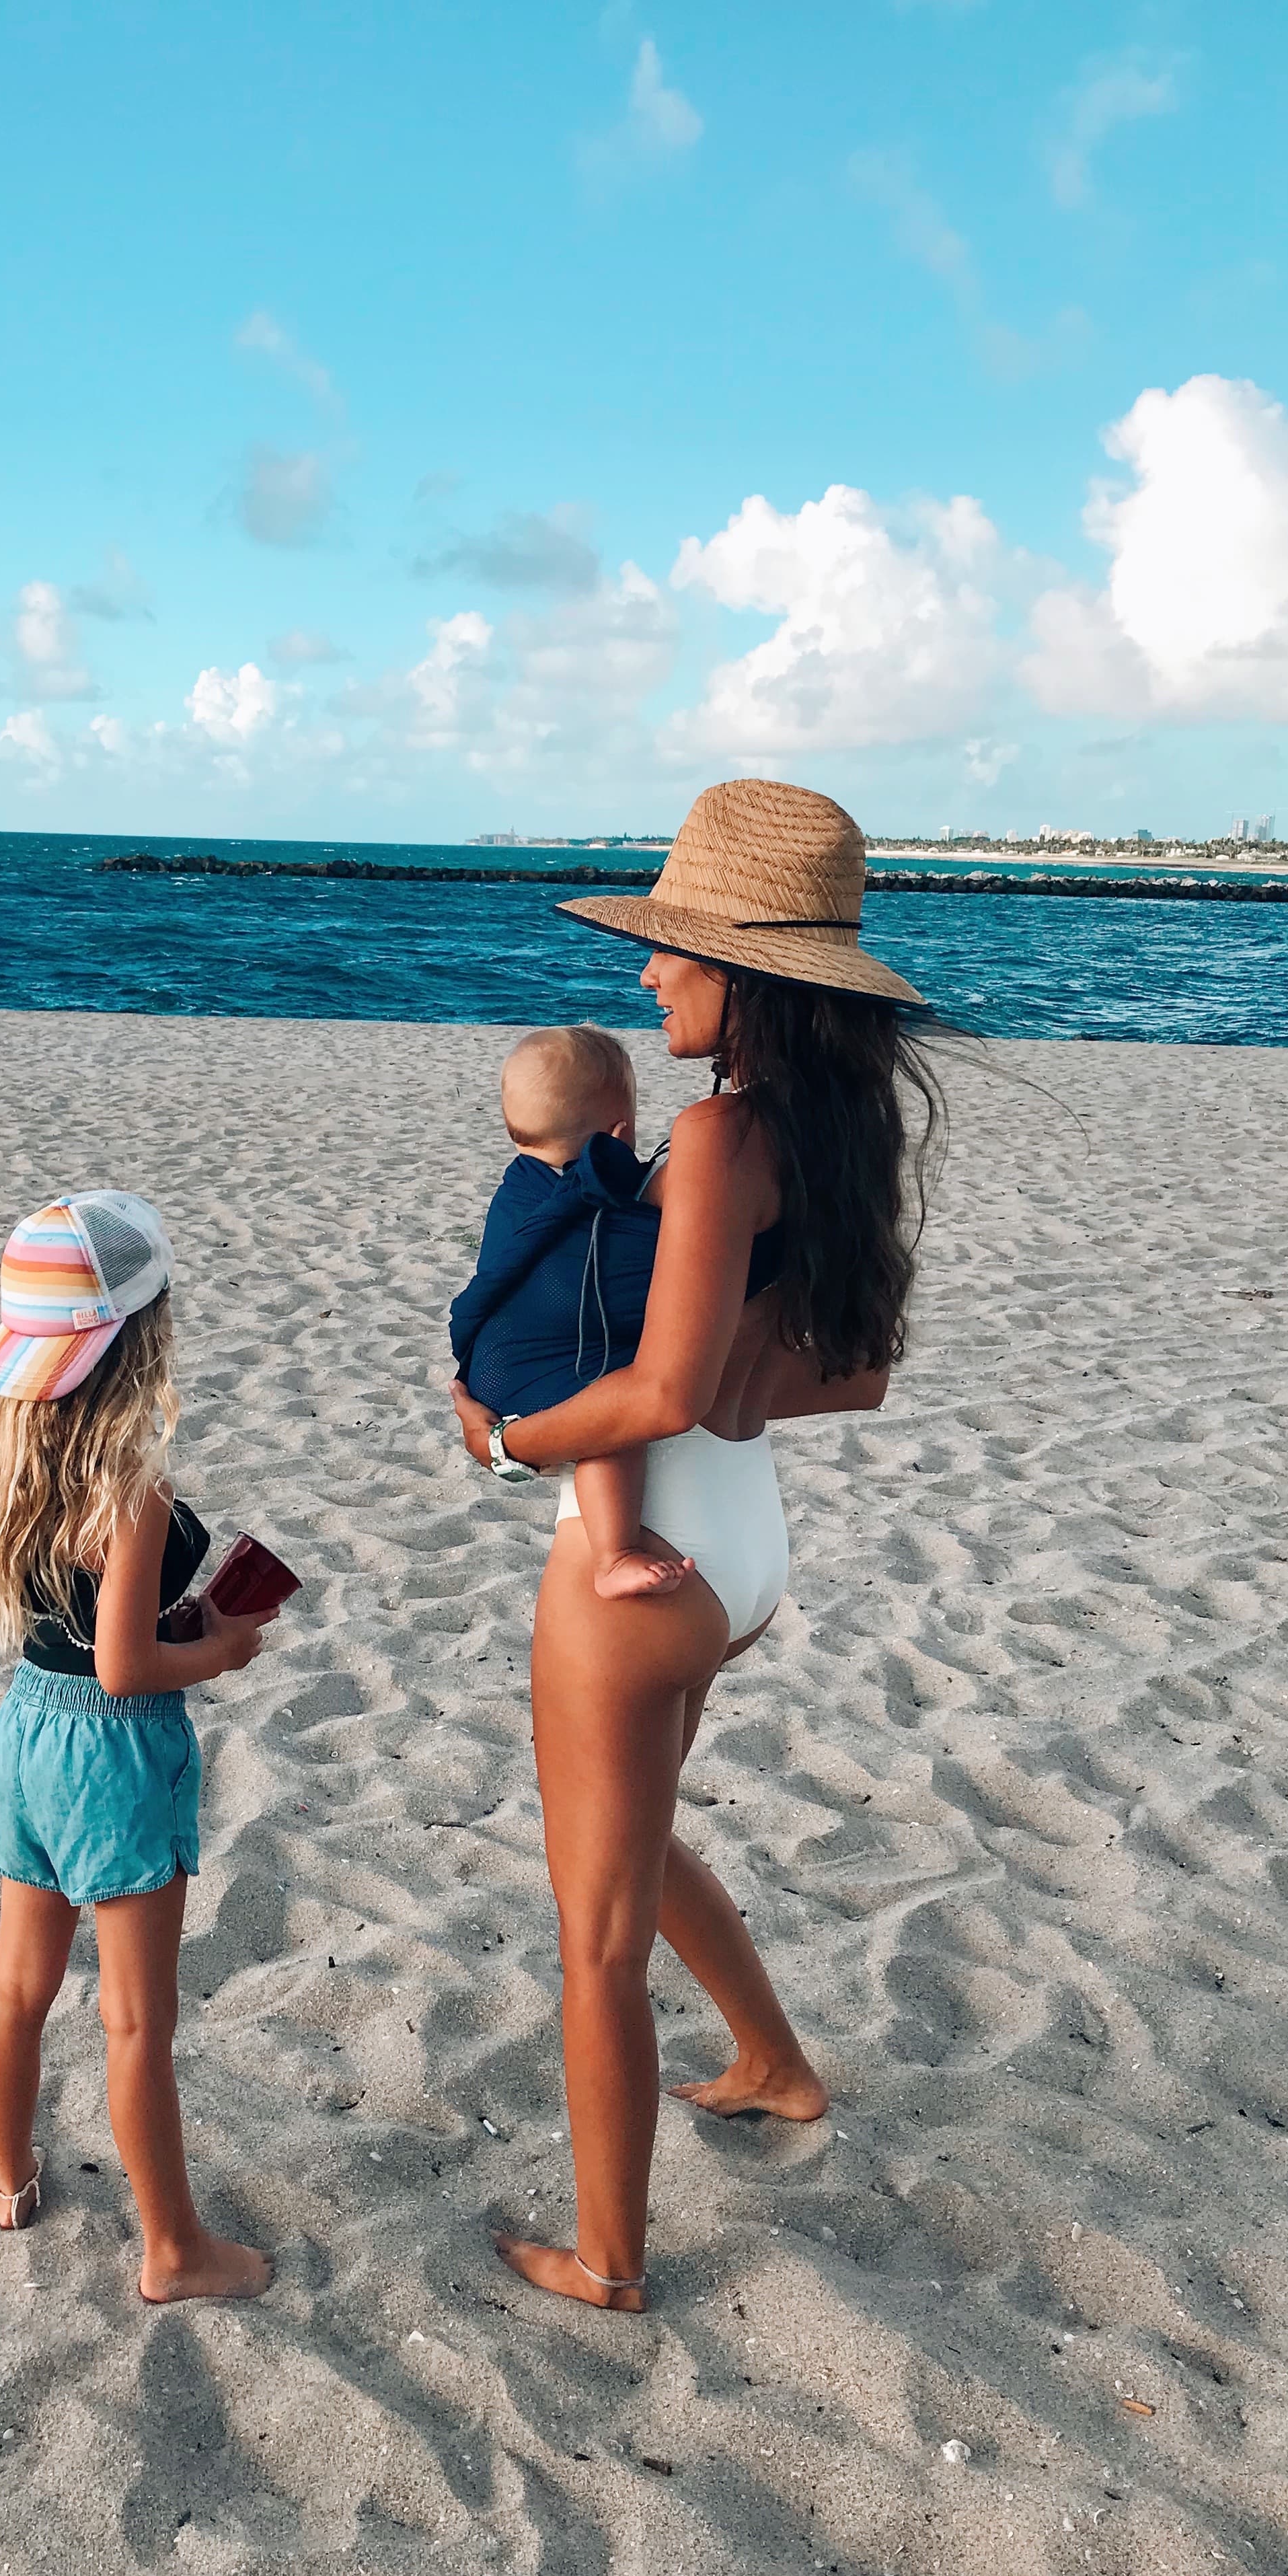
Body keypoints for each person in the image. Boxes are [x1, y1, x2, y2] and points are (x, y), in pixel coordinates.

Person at [449, 780, 943, 2313]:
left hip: (645, 1562)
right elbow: (854, 1370)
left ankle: (605, 2260)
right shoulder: (838, 1129)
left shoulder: (726, 1137)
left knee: (592, 1933)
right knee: (638, 1835)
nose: (652, 975)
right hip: (740, 1555)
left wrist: (502, 1437)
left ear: (753, 974)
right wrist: (737, 1381)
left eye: (678, 952)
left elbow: (658, 1392)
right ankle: (777, 2062)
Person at [0, 1189, 278, 2304]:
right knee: (133, 2020)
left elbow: (72, 1635)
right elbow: (124, 1668)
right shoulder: (131, 1494)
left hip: (25, 1732)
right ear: (141, 1340)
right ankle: (171, 2251)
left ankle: (11, 2179)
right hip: (114, 1757)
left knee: (15, 1988)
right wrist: (215, 1651)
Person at [449, 1024, 691, 1600]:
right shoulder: (594, 1201)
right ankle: (614, 1554)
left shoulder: (520, 1186)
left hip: (490, 1367)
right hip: (529, 1370)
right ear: (620, 1133)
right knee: (612, 1422)